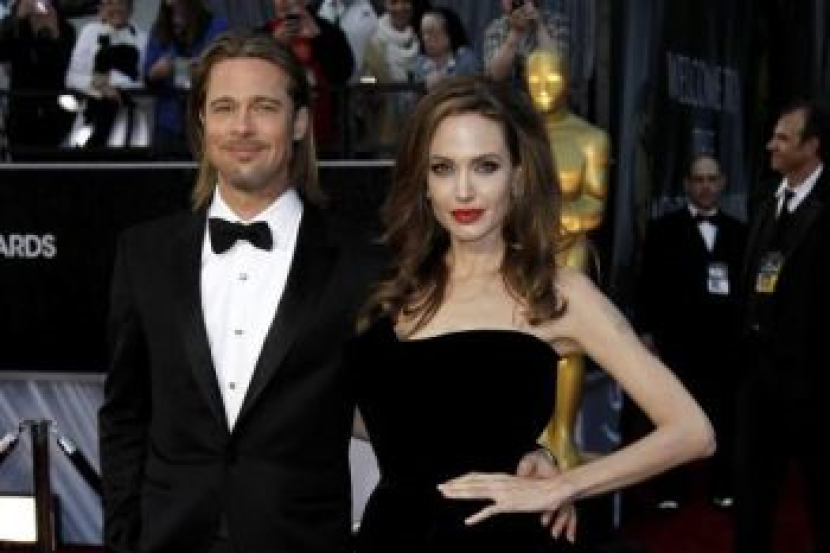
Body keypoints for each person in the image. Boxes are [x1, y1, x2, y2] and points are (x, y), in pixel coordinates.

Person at [347, 75, 714, 552]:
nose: (463, 190)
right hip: (389, 533)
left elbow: (692, 431)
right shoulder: (395, 288)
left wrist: (563, 486)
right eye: (443, 168)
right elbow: (389, 418)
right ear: (424, 182)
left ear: (518, 178)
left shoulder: (556, 293)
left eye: (485, 167)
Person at [98, 29, 381, 553]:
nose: (242, 127)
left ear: (299, 123)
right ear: (202, 122)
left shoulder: (361, 263)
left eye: (264, 107)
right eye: (224, 108)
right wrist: (122, 534)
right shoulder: (143, 254)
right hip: (168, 539)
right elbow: (125, 414)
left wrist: (524, 453)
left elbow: (409, 408)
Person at [735, 99, 830, 553]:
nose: (771, 145)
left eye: (783, 138)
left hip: (814, 386)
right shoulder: (763, 199)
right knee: (751, 498)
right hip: (758, 380)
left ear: (812, 147)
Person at [636, 153, 746, 510]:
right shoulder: (662, 229)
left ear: (723, 183)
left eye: (712, 179)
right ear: (687, 185)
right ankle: (669, 489)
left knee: (725, 416)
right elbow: (647, 285)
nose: (706, 186)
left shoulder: (740, 232)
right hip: (676, 343)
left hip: (725, 343)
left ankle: (724, 486)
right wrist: (646, 333)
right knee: (672, 417)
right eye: (699, 179)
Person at [524, 47, 610, 470]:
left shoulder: (590, 138)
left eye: (552, 78)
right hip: (520, 253)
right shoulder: (514, 136)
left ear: (569, 81)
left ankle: (563, 433)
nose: (543, 88)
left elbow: (594, 206)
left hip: (568, 254)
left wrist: (548, 217)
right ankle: (530, 433)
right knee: (521, 344)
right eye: (535, 79)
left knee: (568, 347)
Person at [264, 0, 353, 149]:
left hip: (324, 133)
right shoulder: (263, 35)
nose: (284, 2)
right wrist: (274, 46)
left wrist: (319, 38)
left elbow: (343, 73)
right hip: (278, 131)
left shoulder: (329, 32)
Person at [143, 0, 228, 156]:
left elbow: (223, 65)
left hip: (204, 117)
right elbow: (148, 75)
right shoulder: (160, 28)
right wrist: (157, 71)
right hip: (168, 120)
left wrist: (201, 67)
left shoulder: (216, 25)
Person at [64, 0, 148, 147]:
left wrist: (112, 84)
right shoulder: (89, 32)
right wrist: (100, 86)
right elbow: (72, 77)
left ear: (130, 8)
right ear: (101, 8)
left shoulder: (143, 39)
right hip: (91, 112)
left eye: (120, 3)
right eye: (109, 3)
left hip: (128, 116)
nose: (115, 8)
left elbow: (144, 81)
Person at [0, 0, 76, 159]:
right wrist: (16, 20)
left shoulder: (66, 29)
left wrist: (54, 36)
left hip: (55, 114)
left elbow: (64, 67)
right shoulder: (17, 28)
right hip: (21, 112)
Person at [483, 0, 569, 85]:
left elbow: (557, 69)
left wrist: (539, 26)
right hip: (506, 91)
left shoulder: (555, 22)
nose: (515, 3)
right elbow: (495, 76)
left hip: (546, 89)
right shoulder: (496, 27)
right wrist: (515, 32)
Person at [410, 6, 480, 89]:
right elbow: (410, 96)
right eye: (423, 33)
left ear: (449, 34)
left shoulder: (467, 60)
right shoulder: (418, 65)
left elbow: (478, 90)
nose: (426, 38)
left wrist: (448, 83)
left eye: (431, 32)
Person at [317, 0, 377, 81]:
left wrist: (369, 82)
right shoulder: (318, 5)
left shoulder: (376, 6)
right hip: (325, 81)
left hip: (362, 80)